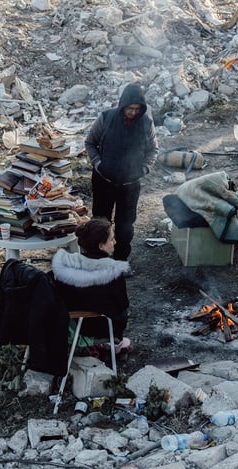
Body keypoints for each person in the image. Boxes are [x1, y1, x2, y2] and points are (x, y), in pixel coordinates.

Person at [84, 83, 158, 264]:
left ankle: (120, 261)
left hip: (130, 184)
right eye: (129, 108)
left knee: (125, 225)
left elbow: (153, 150)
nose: (133, 112)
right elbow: (90, 143)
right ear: (123, 105)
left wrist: (144, 169)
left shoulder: (146, 123)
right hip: (103, 180)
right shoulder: (107, 117)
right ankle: (98, 260)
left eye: (137, 109)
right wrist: (99, 164)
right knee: (100, 223)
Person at [51, 218, 132, 352]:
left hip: (71, 323)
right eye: (111, 239)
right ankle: (109, 344)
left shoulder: (66, 265)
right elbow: (122, 306)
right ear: (100, 246)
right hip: (97, 326)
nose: (115, 242)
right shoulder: (113, 271)